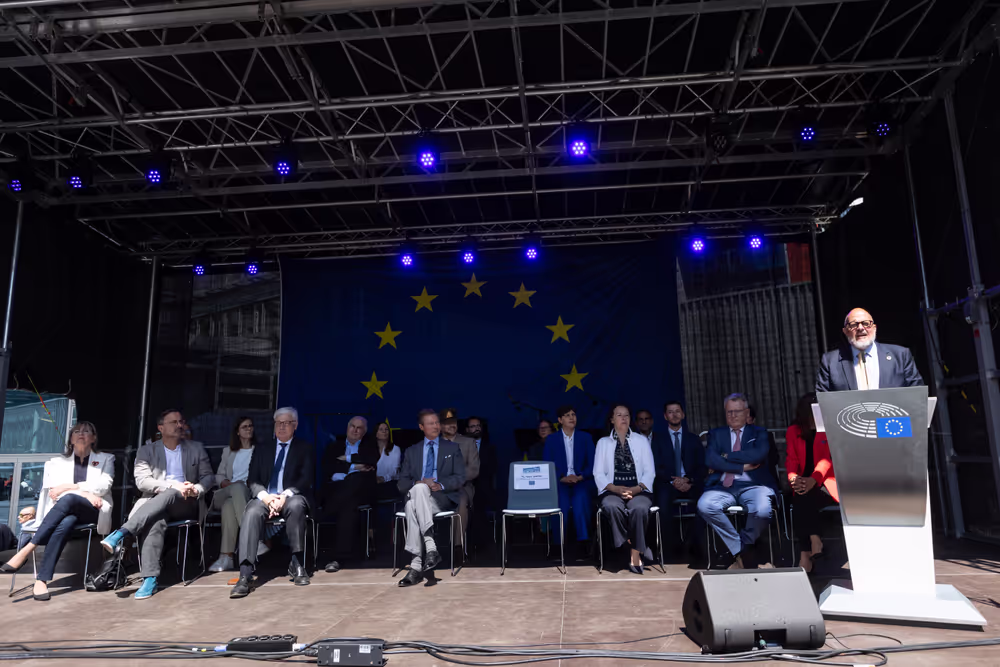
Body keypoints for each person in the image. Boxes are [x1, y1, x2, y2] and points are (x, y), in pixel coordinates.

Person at [100, 410, 214, 600]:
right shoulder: (146, 451)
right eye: (173, 422)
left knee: (169, 495)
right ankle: (150, 579)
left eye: (181, 422)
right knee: (155, 520)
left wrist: (195, 488)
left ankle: (121, 533)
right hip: (158, 503)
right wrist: (173, 486)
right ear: (161, 428)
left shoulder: (196, 448)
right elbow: (142, 481)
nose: (179, 425)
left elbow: (208, 477)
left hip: (187, 502)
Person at [1, 422, 114, 601]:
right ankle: (42, 580)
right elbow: (54, 492)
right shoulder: (56, 463)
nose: (81, 434)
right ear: (70, 439)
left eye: (86, 431)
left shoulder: (107, 459)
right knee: (66, 521)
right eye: (76, 431)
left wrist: (70, 486)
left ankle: (26, 550)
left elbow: (103, 486)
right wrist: (85, 492)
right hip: (65, 511)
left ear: (93, 438)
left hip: (93, 509)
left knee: (68, 498)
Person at [230, 407, 315, 598]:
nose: (282, 427)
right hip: (266, 496)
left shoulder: (305, 447)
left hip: (292, 495)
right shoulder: (262, 448)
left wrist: (284, 495)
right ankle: (245, 573)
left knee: (296, 506)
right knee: (251, 512)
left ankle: (298, 563)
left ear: (295, 425)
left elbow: (305, 479)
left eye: (286, 423)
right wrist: (266, 497)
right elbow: (252, 479)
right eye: (279, 423)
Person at [697, 393, 777, 570]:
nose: (732, 416)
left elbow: (758, 455)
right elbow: (711, 460)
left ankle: (744, 545)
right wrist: (741, 467)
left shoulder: (760, 433)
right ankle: (741, 551)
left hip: (755, 485)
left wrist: (726, 457)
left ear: (747, 412)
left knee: (763, 510)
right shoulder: (716, 434)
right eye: (729, 412)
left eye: (737, 411)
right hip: (723, 486)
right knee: (705, 505)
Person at [396, 409, 465, 588]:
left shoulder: (452, 447)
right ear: (421, 427)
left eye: (437, 422)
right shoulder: (412, 451)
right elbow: (402, 483)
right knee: (417, 493)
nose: (436, 426)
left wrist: (439, 485)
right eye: (431, 423)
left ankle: (416, 565)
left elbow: (460, 477)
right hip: (420, 497)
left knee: (412, 506)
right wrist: (420, 482)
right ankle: (430, 550)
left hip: (440, 498)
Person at [594, 403, 655, 574]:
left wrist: (636, 489)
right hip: (613, 490)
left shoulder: (641, 441)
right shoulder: (603, 443)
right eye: (619, 415)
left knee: (640, 508)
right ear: (612, 419)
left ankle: (635, 553)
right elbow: (598, 473)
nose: (623, 418)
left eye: (626, 415)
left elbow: (650, 472)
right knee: (611, 506)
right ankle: (634, 544)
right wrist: (614, 488)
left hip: (638, 490)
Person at [786, 392, 838, 572]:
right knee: (799, 497)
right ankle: (814, 542)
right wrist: (793, 478)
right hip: (801, 480)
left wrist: (813, 480)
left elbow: (827, 460)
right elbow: (791, 459)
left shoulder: (827, 429)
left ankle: (805, 553)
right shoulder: (793, 431)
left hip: (825, 483)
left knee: (805, 497)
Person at [319, 416, 378, 573]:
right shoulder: (334, 446)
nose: (355, 430)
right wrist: (356, 466)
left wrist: (346, 460)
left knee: (356, 479)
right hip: (338, 490)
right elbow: (327, 468)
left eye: (359, 428)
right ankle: (338, 557)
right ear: (347, 428)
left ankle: (324, 513)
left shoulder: (369, 446)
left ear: (364, 432)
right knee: (348, 505)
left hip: (361, 491)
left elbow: (371, 460)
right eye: (352, 426)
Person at [816, 308, 924, 392]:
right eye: (853, 325)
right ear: (845, 331)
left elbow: (917, 393)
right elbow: (822, 400)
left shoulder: (900, 355)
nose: (860, 328)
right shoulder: (830, 362)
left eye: (866, 323)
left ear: (874, 328)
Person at [542, 404, 595, 559]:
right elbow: (547, 464)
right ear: (559, 420)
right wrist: (561, 477)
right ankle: (558, 546)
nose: (572, 417)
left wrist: (580, 477)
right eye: (567, 415)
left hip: (581, 481)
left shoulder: (585, 438)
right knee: (561, 505)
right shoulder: (552, 440)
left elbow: (593, 464)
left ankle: (583, 544)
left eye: (573, 414)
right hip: (560, 482)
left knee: (580, 502)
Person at [652, 401, 706, 553]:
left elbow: (702, 466)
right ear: (665, 416)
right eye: (670, 412)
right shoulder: (658, 440)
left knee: (705, 504)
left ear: (683, 414)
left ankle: (697, 546)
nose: (674, 414)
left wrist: (689, 480)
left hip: (691, 483)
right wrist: (674, 480)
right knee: (662, 504)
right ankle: (670, 549)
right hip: (668, 483)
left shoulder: (693, 439)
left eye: (677, 411)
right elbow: (655, 467)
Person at [208, 417, 257, 573]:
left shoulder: (259, 451)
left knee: (229, 507)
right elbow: (219, 476)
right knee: (236, 489)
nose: (248, 429)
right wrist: (226, 483)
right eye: (244, 427)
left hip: (246, 494)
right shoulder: (228, 451)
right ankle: (253, 539)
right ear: (237, 431)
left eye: (250, 426)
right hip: (225, 491)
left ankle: (226, 557)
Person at [439, 408, 480, 550]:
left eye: (454, 422)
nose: (452, 425)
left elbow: (474, 469)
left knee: (461, 502)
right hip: (438, 488)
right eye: (447, 423)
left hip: (462, 487)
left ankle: (457, 547)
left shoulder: (468, 442)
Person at [466, 416, 497, 549]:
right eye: (473, 426)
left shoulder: (489, 447)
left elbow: (493, 468)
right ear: (467, 429)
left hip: (484, 484)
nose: (476, 428)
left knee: (479, 499)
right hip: (465, 484)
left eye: (478, 425)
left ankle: (480, 542)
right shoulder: (461, 446)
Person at [375, 421, 402, 502]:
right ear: (376, 433)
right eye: (381, 429)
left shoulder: (395, 449)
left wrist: (382, 479)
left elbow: (394, 471)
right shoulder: (370, 449)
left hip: (390, 482)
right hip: (373, 482)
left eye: (386, 429)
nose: (384, 431)